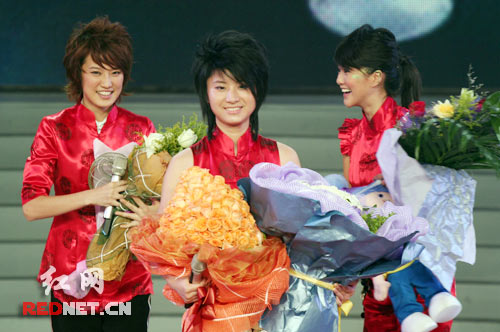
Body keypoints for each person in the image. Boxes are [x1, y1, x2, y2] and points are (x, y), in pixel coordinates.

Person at [157, 30, 355, 327]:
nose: (232, 98)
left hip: (278, 310)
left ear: (257, 90)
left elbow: (304, 241)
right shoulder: (185, 162)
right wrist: (176, 281)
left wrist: (329, 281)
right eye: (221, 87)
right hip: (213, 313)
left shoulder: (284, 159)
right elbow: (164, 242)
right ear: (206, 92)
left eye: (242, 86)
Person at [21, 16, 155, 331]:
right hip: (70, 278)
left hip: (128, 278)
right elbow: (31, 206)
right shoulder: (53, 127)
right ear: (77, 73)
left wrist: (150, 213)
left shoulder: (141, 129)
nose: (106, 83)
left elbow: (159, 203)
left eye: (115, 73)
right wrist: (94, 195)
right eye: (96, 72)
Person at [335, 24, 457, 331]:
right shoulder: (352, 134)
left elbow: (435, 210)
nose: (340, 80)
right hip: (377, 287)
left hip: (424, 287)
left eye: (348, 70)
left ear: (376, 77)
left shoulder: (413, 130)